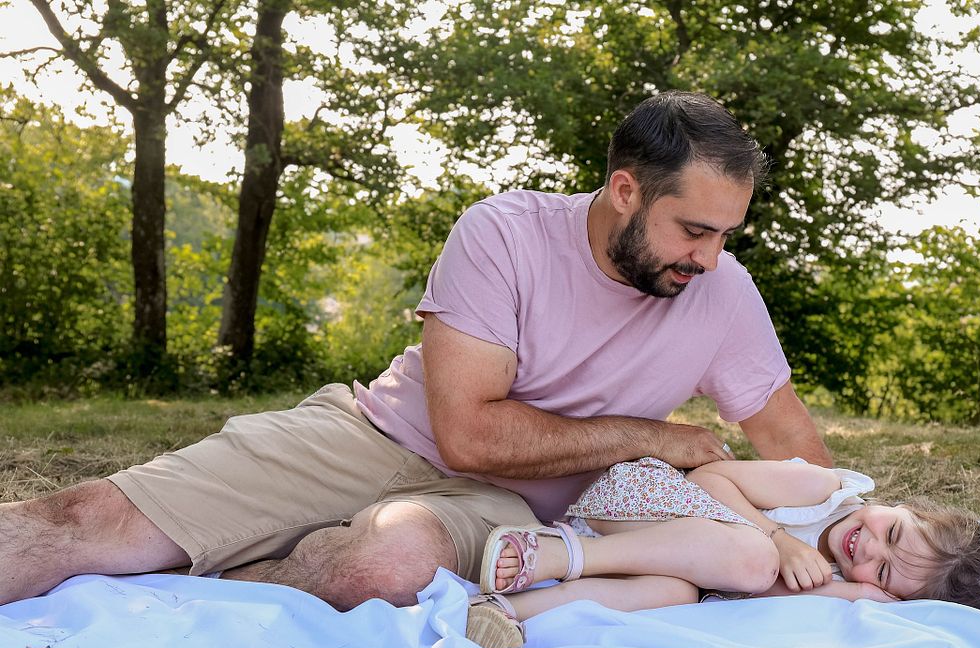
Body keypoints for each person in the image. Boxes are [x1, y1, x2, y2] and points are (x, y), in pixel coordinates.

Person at [0, 91, 831, 610]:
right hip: (367, 437)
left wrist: (845, 538)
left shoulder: (722, 293)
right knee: (85, 519)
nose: (711, 258)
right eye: (694, 230)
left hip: (514, 510)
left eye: (727, 235)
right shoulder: (504, 233)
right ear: (625, 191)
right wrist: (651, 437)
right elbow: (469, 433)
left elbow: (789, 441)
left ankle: (247, 576)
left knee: (385, 564)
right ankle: (210, 546)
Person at [465, 457, 980, 648]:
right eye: (892, 533)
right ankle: (562, 554)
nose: (868, 549)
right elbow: (711, 476)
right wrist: (776, 537)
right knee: (749, 557)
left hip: (668, 563)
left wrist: (847, 591)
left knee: (677, 596)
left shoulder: (840, 579)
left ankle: (512, 614)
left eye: (885, 573)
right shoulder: (823, 490)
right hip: (640, 501)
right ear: (900, 506)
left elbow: (748, 593)